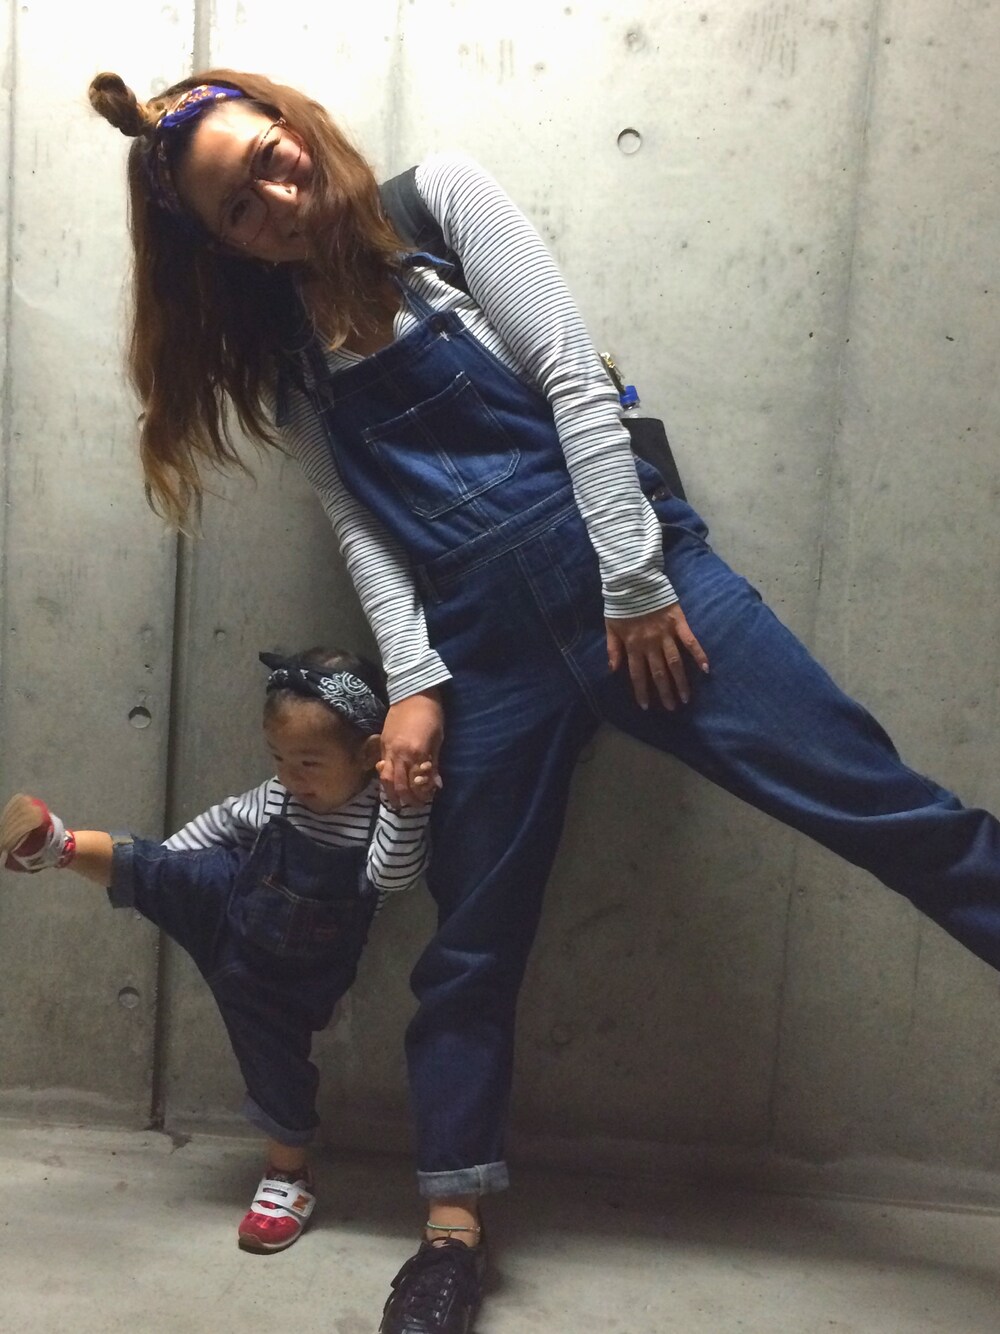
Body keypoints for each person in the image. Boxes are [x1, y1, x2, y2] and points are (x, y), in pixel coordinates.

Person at [83, 68, 1000, 1333]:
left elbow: (573, 375)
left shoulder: (440, 207)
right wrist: (416, 682)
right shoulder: (284, 356)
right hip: (482, 652)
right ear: (221, 243)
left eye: (269, 161)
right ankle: (450, 1232)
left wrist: (632, 581)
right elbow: (360, 526)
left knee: (889, 812)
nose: (276, 201)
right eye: (239, 208)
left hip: (647, 597)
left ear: (294, 126)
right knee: (469, 948)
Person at [0, 646, 431, 1256]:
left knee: (276, 1070)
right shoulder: (278, 796)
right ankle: (57, 846)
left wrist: (405, 801)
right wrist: (170, 869)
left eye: (309, 762)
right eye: (278, 758)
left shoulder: (380, 815)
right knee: (166, 868)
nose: (291, 776)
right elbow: (225, 821)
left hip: (290, 975)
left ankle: (288, 1175)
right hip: (228, 905)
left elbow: (393, 875)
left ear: (369, 754)